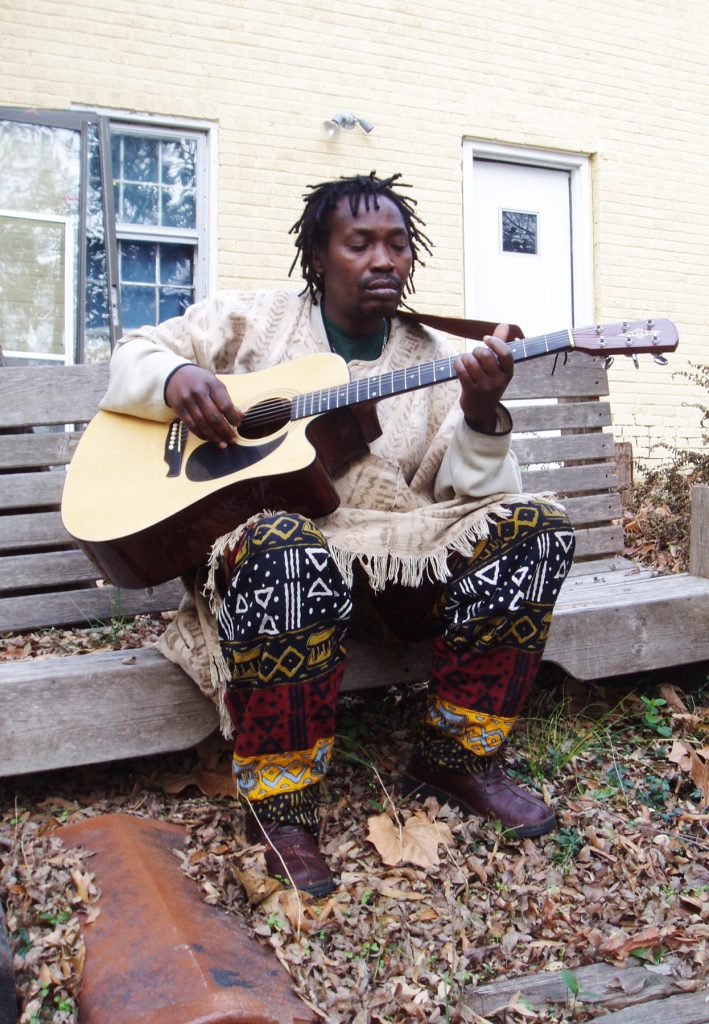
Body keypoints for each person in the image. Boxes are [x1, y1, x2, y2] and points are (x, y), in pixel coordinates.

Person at [100, 172, 576, 897]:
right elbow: (135, 353)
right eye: (360, 243)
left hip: (396, 565)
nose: (384, 259)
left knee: (533, 527)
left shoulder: (441, 360)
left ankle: (456, 759)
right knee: (288, 547)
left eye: (397, 245)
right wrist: (174, 380)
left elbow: (471, 504)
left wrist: (481, 413)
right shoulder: (247, 322)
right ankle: (282, 808)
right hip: (272, 564)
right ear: (318, 258)